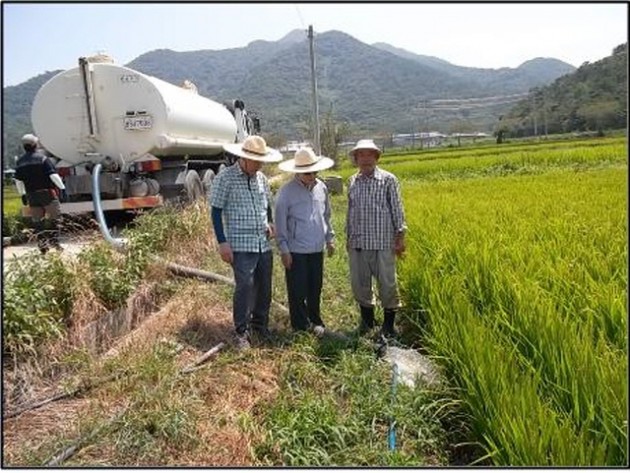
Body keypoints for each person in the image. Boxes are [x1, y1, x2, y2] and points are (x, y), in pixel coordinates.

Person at [210, 135, 283, 350]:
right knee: (245, 286)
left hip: (262, 242)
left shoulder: (260, 178)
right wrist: (222, 242)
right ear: (244, 158)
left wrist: (269, 222)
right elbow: (215, 211)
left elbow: (266, 204)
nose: (260, 165)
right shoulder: (226, 178)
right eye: (256, 161)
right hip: (240, 243)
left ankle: (260, 326)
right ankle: (241, 332)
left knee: (265, 287)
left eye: (261, 161)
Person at [346, 139, 407, 339]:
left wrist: (400, 237)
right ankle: (367, 323)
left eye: (369, 154)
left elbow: (397, 210)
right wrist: (348, 238)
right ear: (356, 159)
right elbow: (350, 211)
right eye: (361, 155)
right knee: (360, 284)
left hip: (383, 243)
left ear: (376, 157)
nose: (365, 159)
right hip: (359, 244)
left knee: (388, 284)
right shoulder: (352, 181)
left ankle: (389, 326)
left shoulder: (388, 180)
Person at [275, 147, 335, 337]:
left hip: (317, 248)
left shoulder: (322, 188)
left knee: (315, 288)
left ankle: (315, 320)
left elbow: (326, 216)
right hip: (296, 250)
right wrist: (284, 249)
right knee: (297, 290)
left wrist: (330, 238)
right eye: (307, 172)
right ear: (298, 172)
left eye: (314, 171)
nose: (312, 176)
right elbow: (280, 223)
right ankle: (300, 327)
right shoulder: (286, 193)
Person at [14, 133, 66, 254]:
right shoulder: (42, 159)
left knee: (38, 222)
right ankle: (55, 242)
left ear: (24, 147)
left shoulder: (20, 162)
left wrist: (22, 194)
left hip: (32, 195)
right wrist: (62, 188)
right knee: (55, 218)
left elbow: (18, 181)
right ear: (35, 145)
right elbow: (53, 175)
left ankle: (43, 246)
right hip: (47, 194)